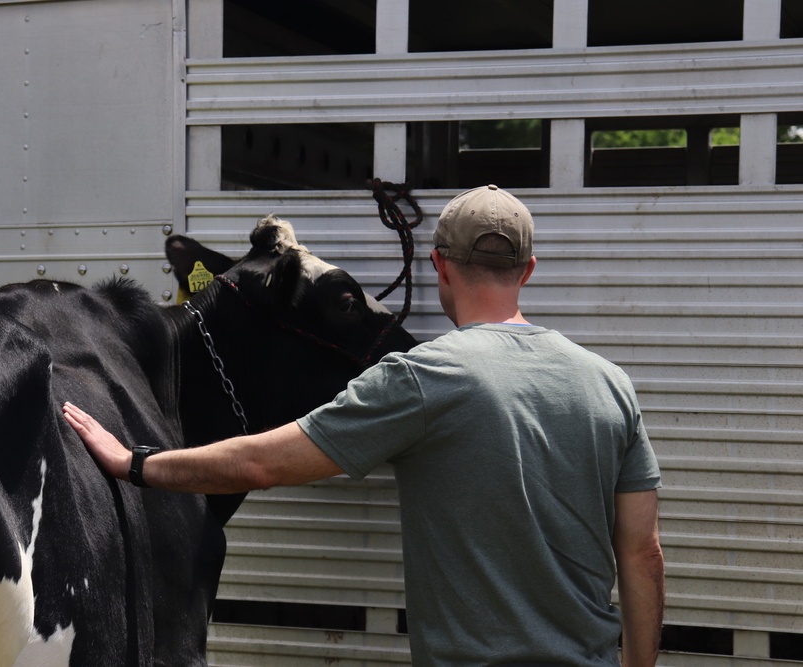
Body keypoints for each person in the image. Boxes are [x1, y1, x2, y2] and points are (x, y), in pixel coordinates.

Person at [63, 184, 665, 667]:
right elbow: (642, 555)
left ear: (439, 267)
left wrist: (133, 462)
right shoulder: (608, 383)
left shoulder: (426, 378)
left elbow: (261, 464)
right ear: (527, 270)